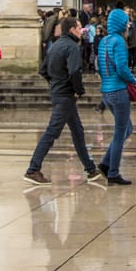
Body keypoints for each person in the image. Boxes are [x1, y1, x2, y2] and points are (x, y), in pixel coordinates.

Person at [24, 16, 105, 185]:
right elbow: (75, 71)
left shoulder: (56, 46)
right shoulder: (72, 47)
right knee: (52, 131)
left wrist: (56, 84)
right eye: (79, 28)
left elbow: (44, 70)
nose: (82, 31)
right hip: (66, 95)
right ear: (71, 30)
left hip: (59, 92)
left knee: (77, 131)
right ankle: (33, 169)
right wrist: (78, 91)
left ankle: (90, 169)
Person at [96, 7, 136, 185]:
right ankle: (113, 172)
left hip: (106, 91)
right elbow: (121, 67)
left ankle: (105, 164)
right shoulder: (119, 41)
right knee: (120, 133)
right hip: (119, 91)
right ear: (121, 24)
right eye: (126, 21)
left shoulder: (103, 41)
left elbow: (99, 65)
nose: (128, 24)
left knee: (127, 128)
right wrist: (133, 80)